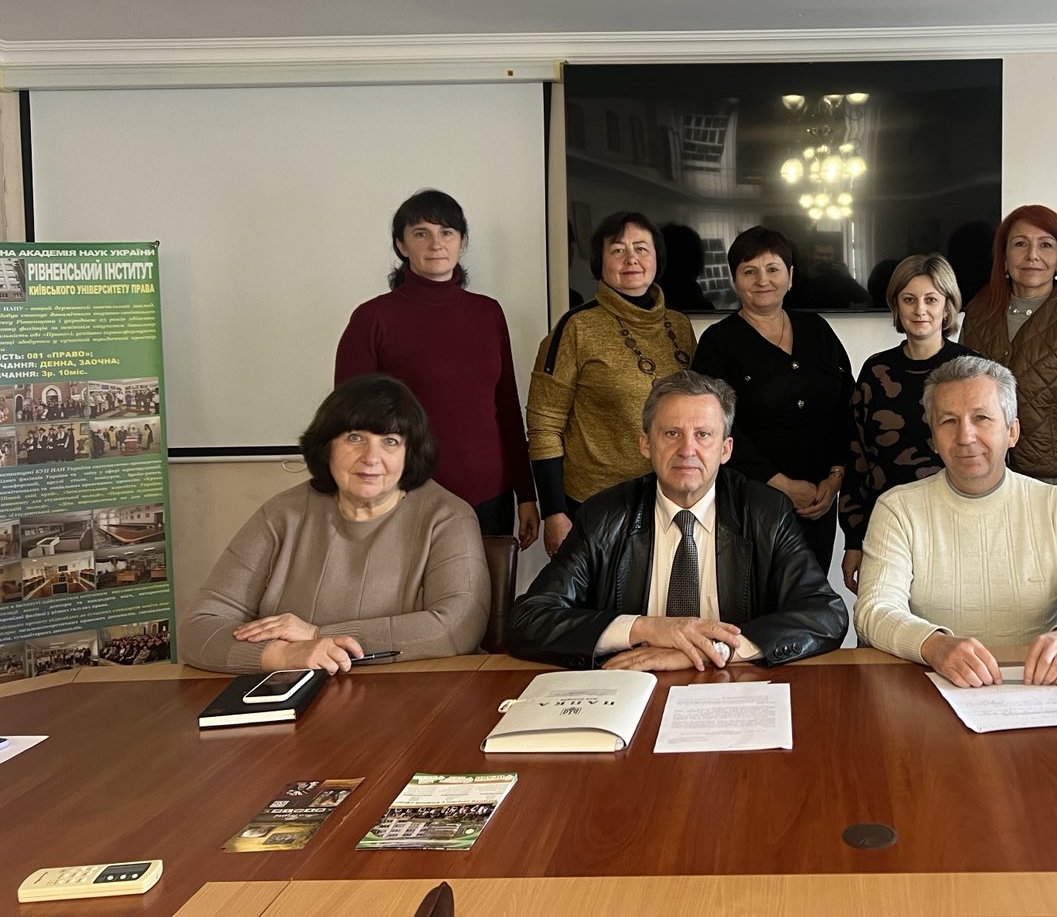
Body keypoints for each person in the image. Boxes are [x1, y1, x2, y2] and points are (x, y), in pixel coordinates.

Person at [507, 371, 848, 670]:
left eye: (703, 435)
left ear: (726, 449)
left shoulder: (766, 513)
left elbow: (826, 614)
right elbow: (528, 619)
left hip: (733, 686)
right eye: (671, 433)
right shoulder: (604, 516)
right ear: (646, 444)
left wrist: (713, 651)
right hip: (633, 684)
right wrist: (648, 628)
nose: (687, 450)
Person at [178, 375, 490, 674]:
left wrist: (318, 635)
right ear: (327, 446)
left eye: (390, 441)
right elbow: (198, 629)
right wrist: (283, 655)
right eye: (355, 438)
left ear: (409, 453)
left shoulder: (447, 517)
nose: (371, 457)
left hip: (413, 696)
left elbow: (457, 628)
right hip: (291, 694)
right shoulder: (281, 514)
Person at [855, 356, 1057, 688]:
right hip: (929, 686)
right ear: (933, 438)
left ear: (1012, 431)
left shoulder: (1056, 506)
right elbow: (874, 610)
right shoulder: (898, 509)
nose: (965, 436)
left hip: (1035, 687)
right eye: (948, 421)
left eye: (981, 418)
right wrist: (934, 645)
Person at [337, 189, 538, 545]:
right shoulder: (372, 318)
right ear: (401, 245)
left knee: (485, 584)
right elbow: (350, 422)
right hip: (406, 493)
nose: (436, 244)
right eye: (421, 233)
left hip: (490, 495)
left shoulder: (488, 313)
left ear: (462, 242)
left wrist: (526, 494)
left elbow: (506, 407)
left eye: (447, 232)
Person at [526, 212, 697, 557]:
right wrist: (554, 512)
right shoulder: (576, 328)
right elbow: (544, 423)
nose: (631, 259)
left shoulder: (679, 325)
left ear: (658, 259)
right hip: (594, 505)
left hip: (671, 499)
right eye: (617, 250)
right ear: (599, 263)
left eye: (641, 248)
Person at [690, 226, 852, 573]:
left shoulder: (817, 330)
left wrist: (835, 478)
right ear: (735, 281)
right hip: (750, 503)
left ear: (790, 277)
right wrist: (782, 485)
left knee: (810, 595)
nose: (762, 280)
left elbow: (846, 408)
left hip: (818, 503)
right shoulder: (718, 343)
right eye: (749, 271)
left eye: (773, 269)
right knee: (755, 595)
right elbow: (712, 426)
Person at [958, 204, 1057, 514]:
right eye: (1020, 244)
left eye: (1046, 245)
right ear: (1003, 257)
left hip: (1054, 491)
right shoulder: (978, 314)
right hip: (983, 484)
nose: (1032, 255)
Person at [838, 253, 971, 593]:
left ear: (947, 307)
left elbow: (994, 458)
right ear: (896, 305)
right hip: (886, 530)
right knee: (884, 621)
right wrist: (853, 540)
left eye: (931, 300)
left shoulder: (972, 371)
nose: (920, 310)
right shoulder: (875, 371)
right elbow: (858, 459)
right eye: (909, 299)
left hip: (958, 530)